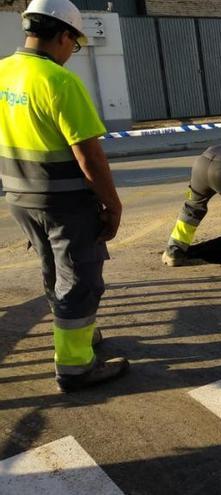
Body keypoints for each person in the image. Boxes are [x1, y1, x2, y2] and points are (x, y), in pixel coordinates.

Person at [0, 0, 128, 392]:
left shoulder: (3, 71)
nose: (73, 51)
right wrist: (112, 203)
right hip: (65, 202)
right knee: (80, 279)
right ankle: (74, 366)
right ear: (62, 35)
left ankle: (78, 334)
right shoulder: (59, 81)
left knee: (54, 269)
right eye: (74, 42)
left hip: (20, 197)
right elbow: (89, 156)